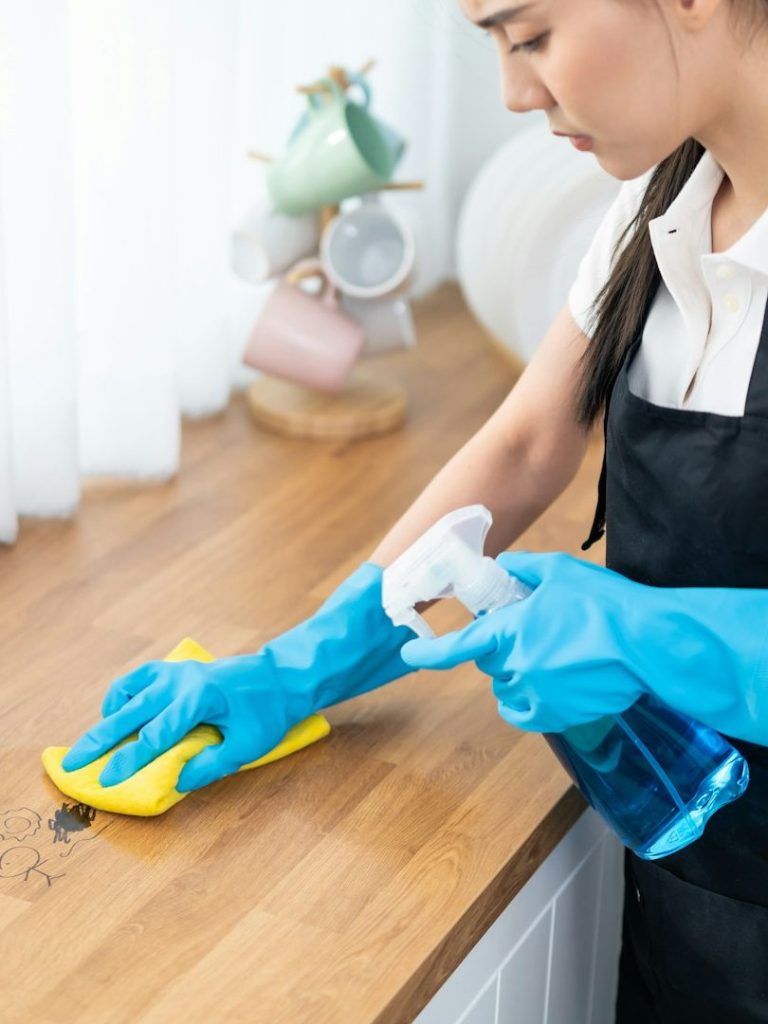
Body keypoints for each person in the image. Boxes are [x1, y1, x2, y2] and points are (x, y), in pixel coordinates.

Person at [62, 0, 768, 1019]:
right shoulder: (659, 206)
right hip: (689, 890)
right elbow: (523, 448)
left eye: (530, 36)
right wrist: (295, 670)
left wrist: (643, 631)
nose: (513, 92)